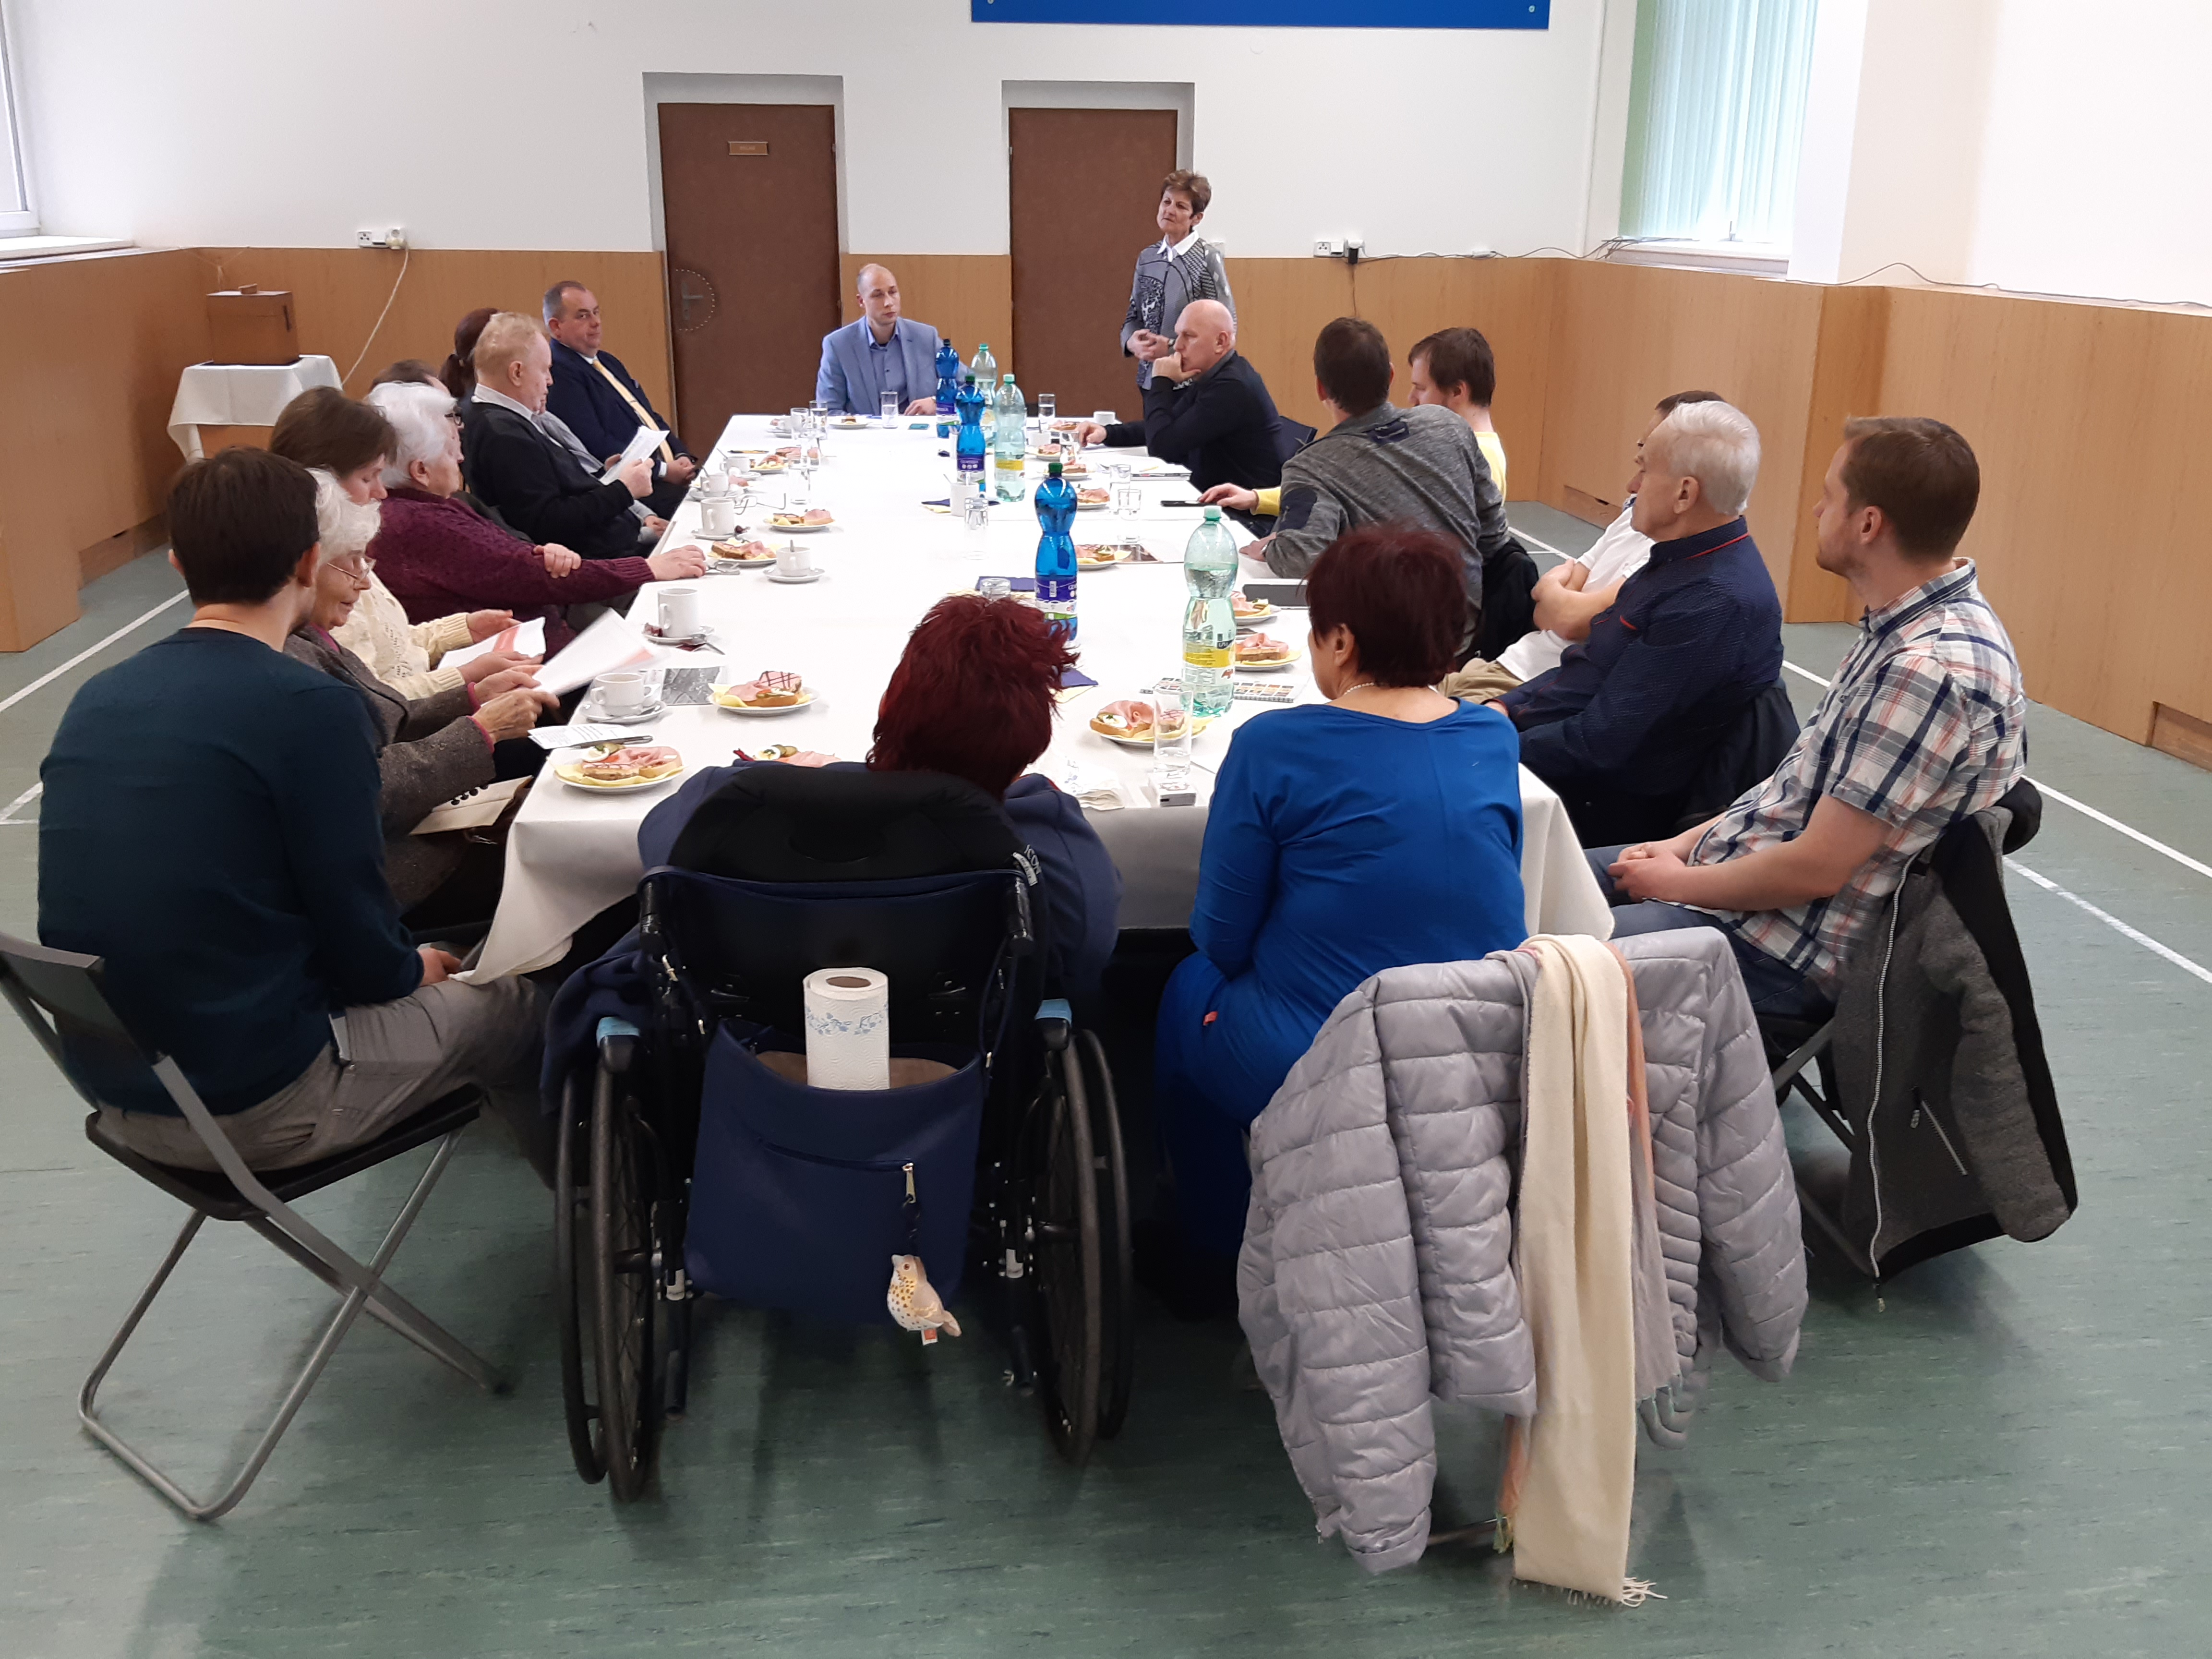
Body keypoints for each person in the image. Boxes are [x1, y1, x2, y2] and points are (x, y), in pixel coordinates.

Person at [37, 447, 546, 1174]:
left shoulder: (98, 697)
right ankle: (591, 1218)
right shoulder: (306, 706)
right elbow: (361, 935)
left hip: (125, 1095)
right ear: (310, 562)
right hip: (261, 1102)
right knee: (520, 1006)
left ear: (178, 566)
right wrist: (412, 971)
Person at [1155, 525, 1526, 1266]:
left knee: (1186, 989)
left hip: (1325, 1055)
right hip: (1479, 1046)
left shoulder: (1273, 745)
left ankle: (1209, 1248)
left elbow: (1222, 938)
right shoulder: (1492, 738)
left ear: (1342, 642)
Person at [1593, 417, 2022, 1022]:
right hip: (1736, 885)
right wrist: (1678, 847)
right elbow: (1791, 788)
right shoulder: (1900, 627)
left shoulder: (1925, 671)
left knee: (1533, 962)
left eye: (1830, 496)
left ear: (1868, 525)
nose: (1818, 509)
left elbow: (1816, 869)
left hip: (1773, 951)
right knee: (1529, 882)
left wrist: (1673, 882)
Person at [636, 594, 1121, 998]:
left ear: (888, 706)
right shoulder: (1054, 848)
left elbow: (660, 852)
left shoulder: (738, 803)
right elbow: (1079, 963)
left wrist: (801, 780)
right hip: (969, 1052)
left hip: (749, 1037)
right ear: (1036, 741)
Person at [1496, 398, 1782, 845]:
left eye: (1645, 471)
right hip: (1557, 758)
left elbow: (1600, 742)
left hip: (1593, 809)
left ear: (1685, 494)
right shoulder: (1679, 562)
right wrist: (1504, 707)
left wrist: (1487, 746)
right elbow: (1587, 668)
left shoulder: (1712, 601)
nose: (1631, 487)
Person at [286, 472, 554, 913]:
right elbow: (368, 789)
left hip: (406, 839)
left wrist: (472, 697)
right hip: (390, 873)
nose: (365, 581)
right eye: (352, 562)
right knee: (567, 859)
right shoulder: (290, 665)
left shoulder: (309, 637)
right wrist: (480, 731)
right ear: (309, 564)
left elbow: (383, 713)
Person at [1208, 319, 1512, 629]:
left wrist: (1272, 547)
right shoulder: (1450, 425)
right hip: (1468, 625)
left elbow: (1298, 559)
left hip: (1391, 637)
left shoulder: (1313, 465)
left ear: (1321, 389)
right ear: (1391, 375)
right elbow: (1494, 534)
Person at [366, 381, 703, 651]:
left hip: (557, 617)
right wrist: (648, 568)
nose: (460, 457)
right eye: (450, 447)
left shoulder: (431, 506)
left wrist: (541, 553)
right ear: (421, 471)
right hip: (542, 654)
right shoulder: (418, 523)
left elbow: (511, 558)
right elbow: (525, 574)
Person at [270, 387, 537, 700]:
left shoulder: (349, 547)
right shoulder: (324, 571)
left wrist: (463, 629)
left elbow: (392, 645)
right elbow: (374, 697)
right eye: (369, 478)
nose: (382, 493)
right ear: (324, 483)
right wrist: (466, 677)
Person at [463, 312, 658, 560]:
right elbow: (550, 523)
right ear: (517, 373)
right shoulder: (504, 435)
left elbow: (555, 487)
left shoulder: (486, 415)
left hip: (613, 544)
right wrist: (625, 490)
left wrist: (609, 478)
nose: (550, 381)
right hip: (599, 562)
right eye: (545, 370)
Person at [1071, 299, 1284, 498]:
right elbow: (1170, 426)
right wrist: (1108, 433)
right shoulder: (1215, 375)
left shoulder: (1232, 387)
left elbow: (1162, 447)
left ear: (1220, 342)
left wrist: (1161, 382)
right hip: (1210, 497)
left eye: (1189, 336)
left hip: (1241, 513)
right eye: (1178, 336)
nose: (1178, 346)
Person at [542, 280, 696, 516]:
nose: (596, 322)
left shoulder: (607, 361)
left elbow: (648, 416)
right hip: (636, 488)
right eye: (583, 316)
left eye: (596, 312)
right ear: (556, 327)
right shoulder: (560, 373)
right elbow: (595, 443)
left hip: (663, 474)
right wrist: (664, 470)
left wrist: (680, 454)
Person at [1121, 169, 1234, 395]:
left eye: (1181, 206)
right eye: (1167, 202)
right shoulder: (1148, 258)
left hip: (1192, 383)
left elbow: (1227, 328)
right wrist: (1130, 342)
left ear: (1196, 218)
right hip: (1151, 379)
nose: (1170, 210)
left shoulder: (1207, 258)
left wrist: (1173, 347)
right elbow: (1134, 315)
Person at [815, 264, 946, 418]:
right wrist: (867, 423)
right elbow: (828, 411)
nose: (888, 303)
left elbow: (966, 386)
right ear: (861, 301)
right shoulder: (838, 345)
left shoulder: (926, 337)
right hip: (864, 431)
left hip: (919, 430)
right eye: (878, 296)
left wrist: (937, 402)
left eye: (893, 292)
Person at [1407, 327, 1508, 498]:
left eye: (1421, 388)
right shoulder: (1470, 451)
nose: (1411, 398)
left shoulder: (1475, 458)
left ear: (1457, 392)